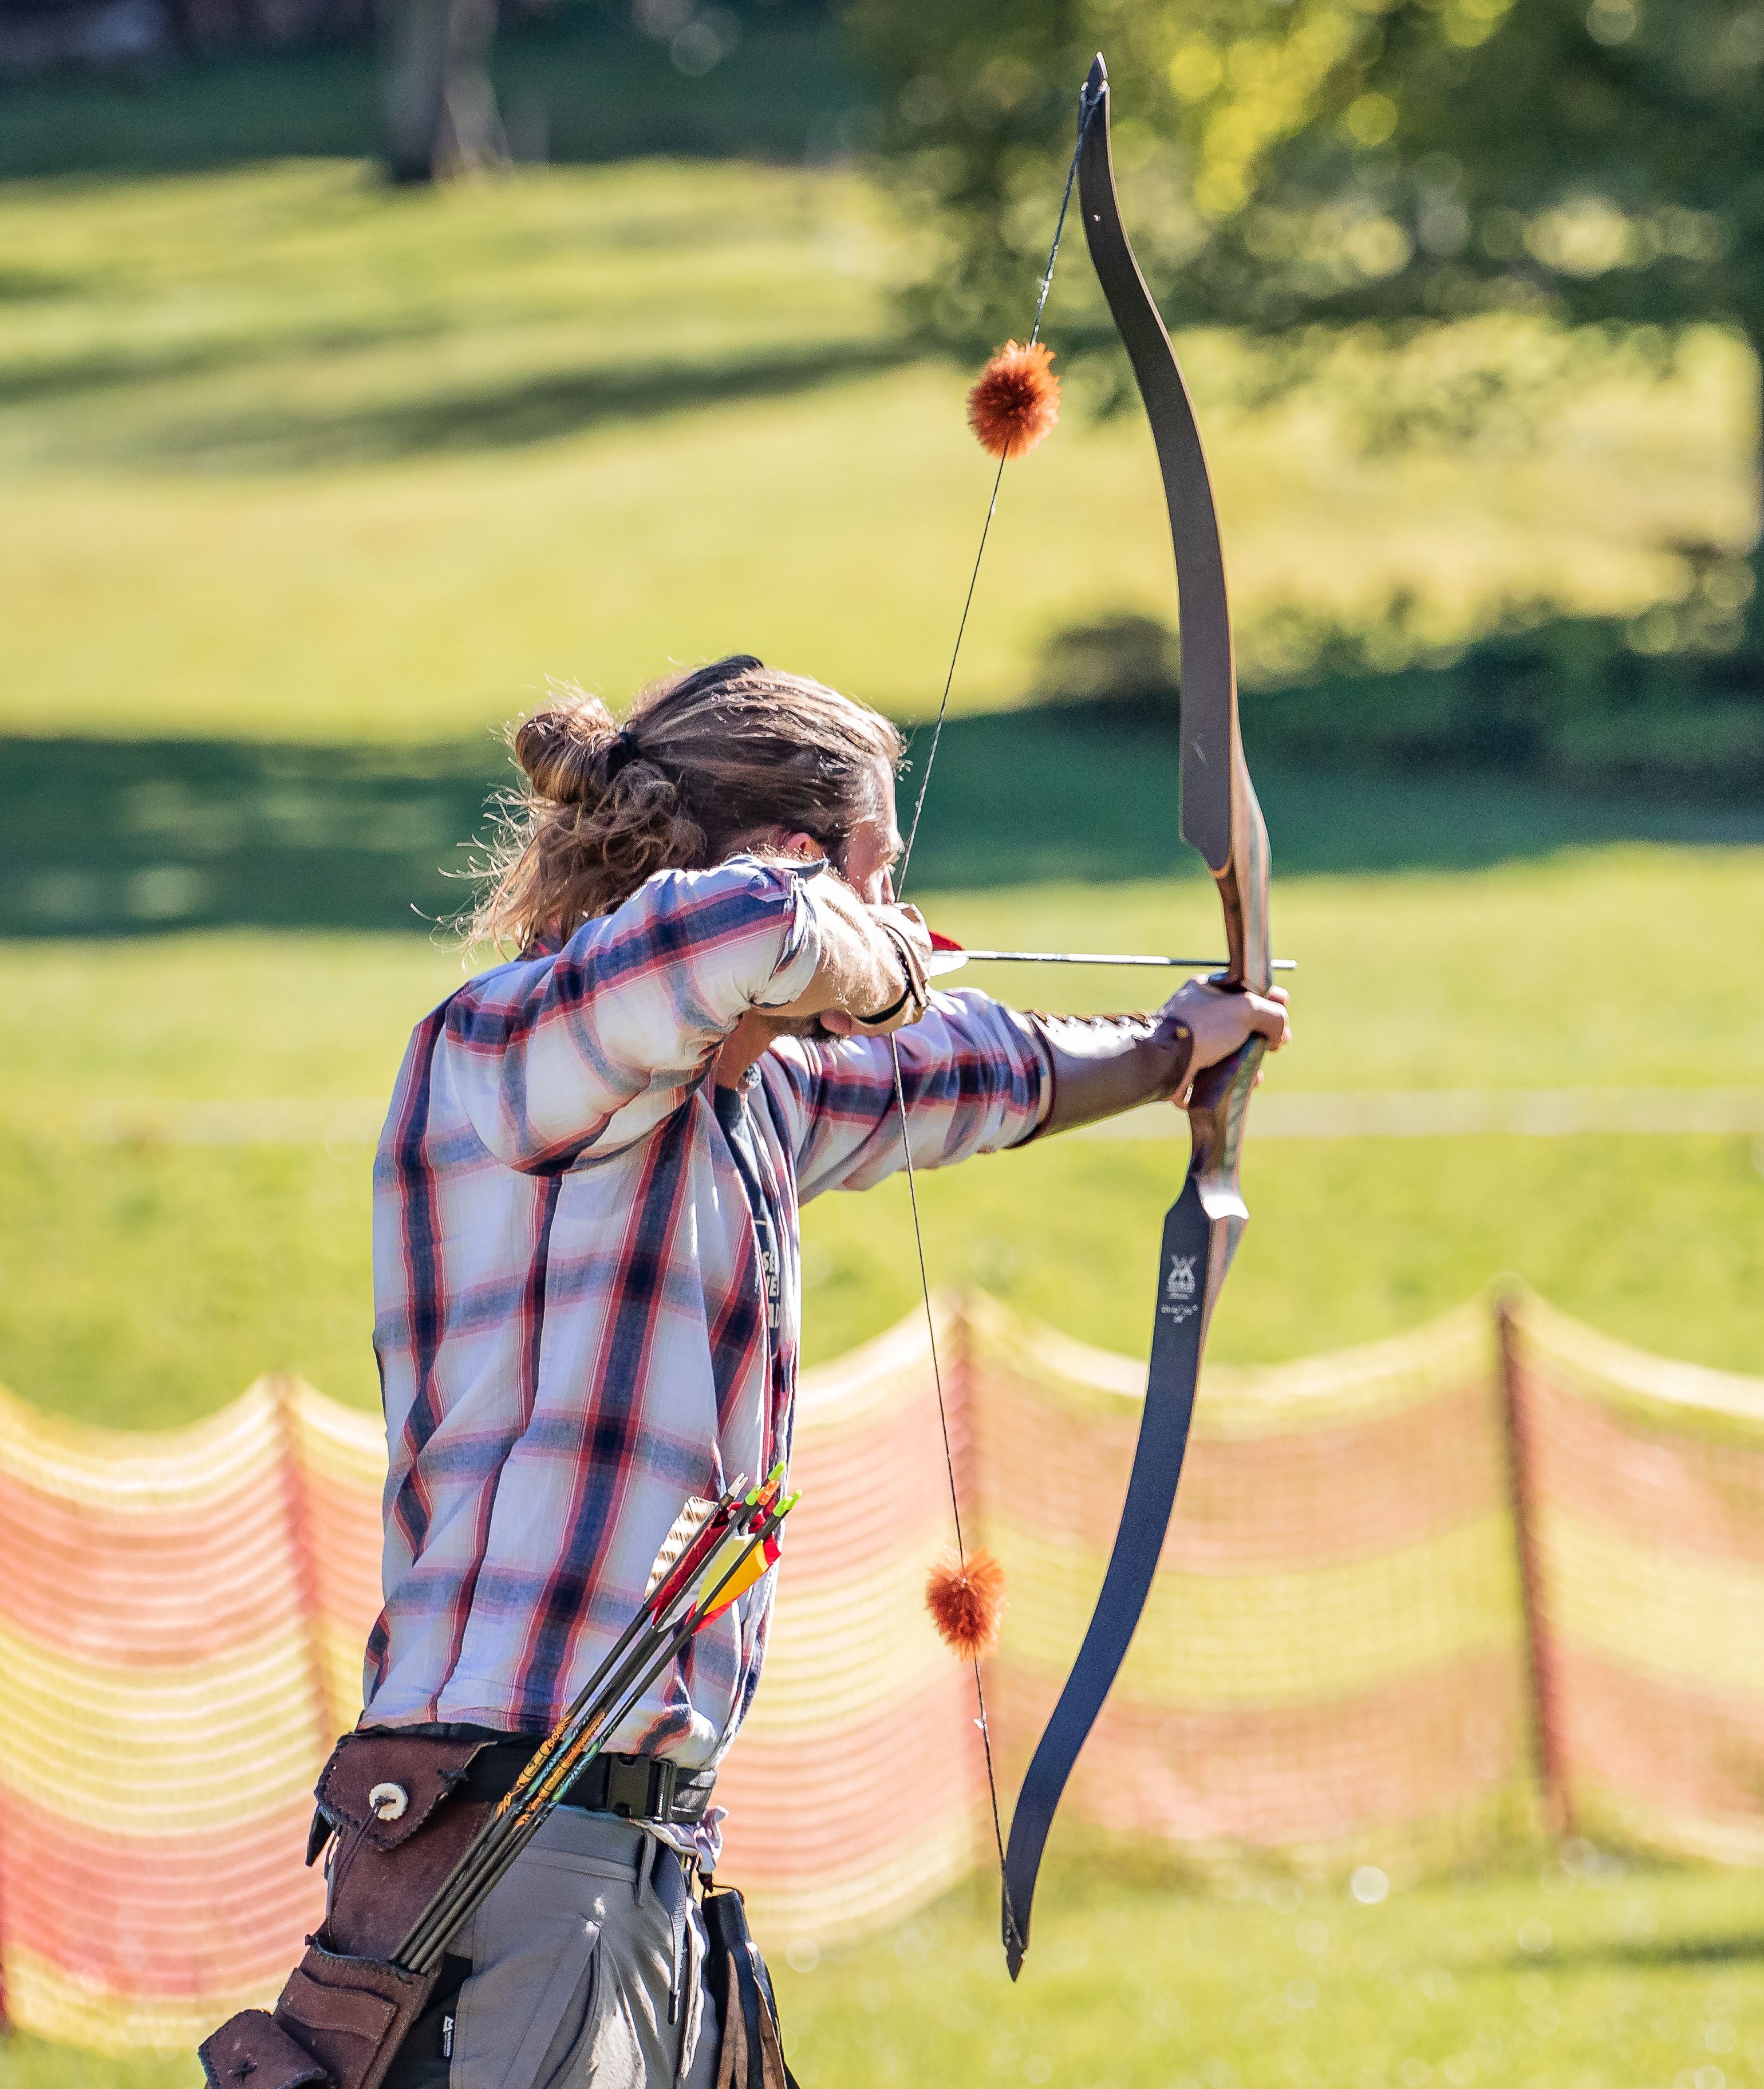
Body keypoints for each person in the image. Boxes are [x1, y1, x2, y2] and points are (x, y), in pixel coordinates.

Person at [355, 654, 1285, 2087]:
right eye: (882, 872)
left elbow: (969, 1074)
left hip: (633, 1838)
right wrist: (877, 955)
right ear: (807, 863)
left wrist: (1175, 1051)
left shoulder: (752, 1094)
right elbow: (743, 926)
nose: (902, 907)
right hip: (507, 1819)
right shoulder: (511, 1042)